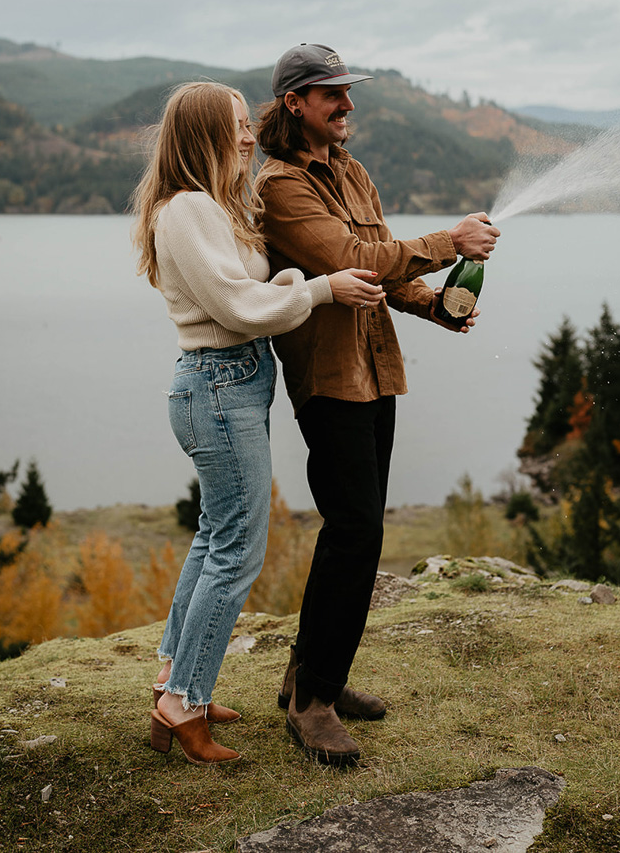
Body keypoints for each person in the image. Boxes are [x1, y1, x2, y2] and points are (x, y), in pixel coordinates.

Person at [255, 44, 500, 766]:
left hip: (374, 369)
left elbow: (386, 263)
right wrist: (447, 239)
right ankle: (312, 705)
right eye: (331, 93)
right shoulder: (277, 185)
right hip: (327, 377)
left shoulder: (351, 170)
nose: (346, 104)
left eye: (347, 92)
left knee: (354, 529)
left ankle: (308, 674)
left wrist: (435, 307)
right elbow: (348, 259)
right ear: (294, 101)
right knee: (355, 529)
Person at [131, 80, 385, 766]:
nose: (249, 136)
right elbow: (238, 309)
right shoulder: (186, 209)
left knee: (215, 534)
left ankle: (172, 677)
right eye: (237, 126)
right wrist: (323, 287)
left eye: (248, 124)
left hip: (228, 384)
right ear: (203, 134)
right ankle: (183, 703)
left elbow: (247, 292)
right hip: (217, 386)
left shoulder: (210, 207)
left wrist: (289, 286)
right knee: (238, 548)